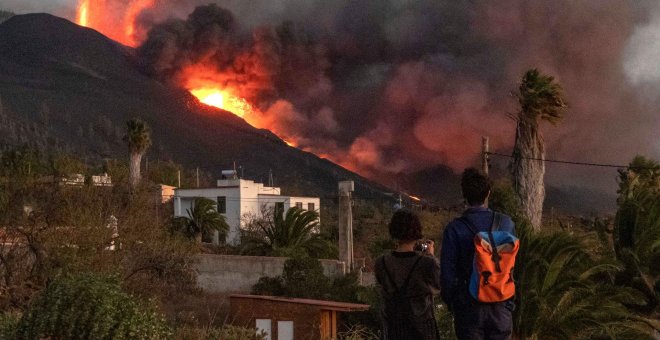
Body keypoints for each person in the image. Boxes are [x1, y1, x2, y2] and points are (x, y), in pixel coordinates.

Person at [440, 168, 516, 340]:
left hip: (469, 309)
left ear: (464, 195)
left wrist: (455, 304)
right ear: (488, 193)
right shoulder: (506, 223)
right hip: (500, 305)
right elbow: (512, 264)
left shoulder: (454, 229)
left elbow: (447, 276)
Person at [375, 209, 441, 340]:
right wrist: (431, 255)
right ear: (417, 232)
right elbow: (439, 284)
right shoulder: (426, 263)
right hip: (422, 329)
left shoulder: (382, 262)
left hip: (393, 328)